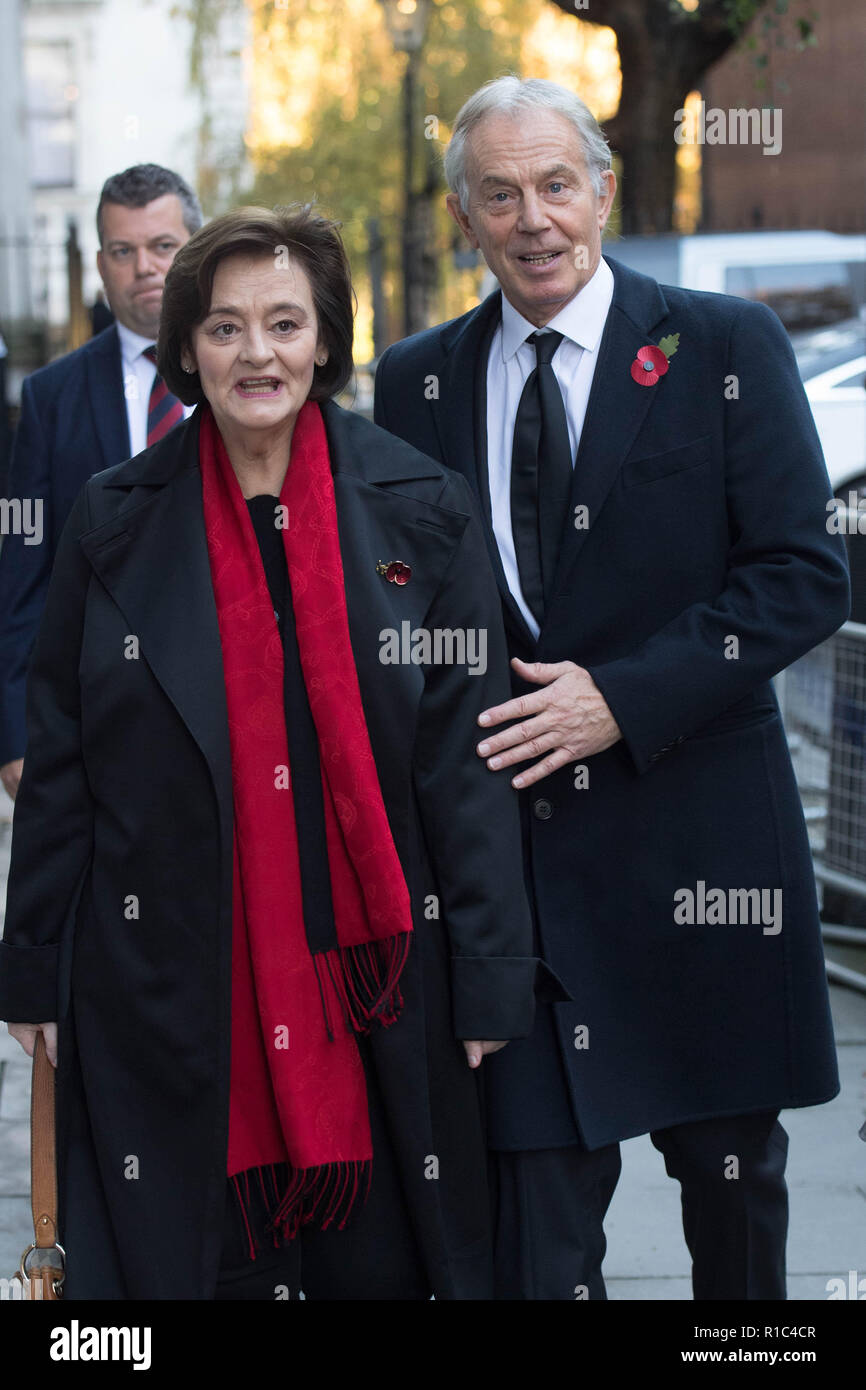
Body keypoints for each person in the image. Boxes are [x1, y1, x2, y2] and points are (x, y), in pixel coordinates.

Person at [0, 203, 561, 1300]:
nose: (256, 353)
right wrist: (33, 969)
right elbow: (62, 760)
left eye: (284, 323)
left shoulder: (422, 510)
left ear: (324, 339)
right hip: (160, 970)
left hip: (377, 984)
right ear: (185, 349)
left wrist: (491, 978)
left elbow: (465, 765)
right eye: (223, 327)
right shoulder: (112, 518)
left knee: (383, 1257)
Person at [373, 75, 851, 1300]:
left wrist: (620, 699)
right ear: (461, 218)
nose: (532, 218)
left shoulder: (719, 347)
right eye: (498, 194)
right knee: (539, 1243)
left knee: (734, 1218)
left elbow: (800, 578)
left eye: (553, 186)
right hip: (521, 891)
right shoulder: (416, 382)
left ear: (600, 191)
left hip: (704, 858)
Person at [0, 163, 201, 801]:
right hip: (100, 715)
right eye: (124, 251)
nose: (144, 266)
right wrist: (14, 733)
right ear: (101, 262)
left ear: (193, 250)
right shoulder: (49, 398)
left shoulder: (248, 369)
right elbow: (20, 566)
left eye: (163, 246)